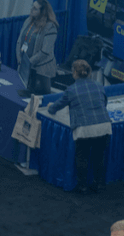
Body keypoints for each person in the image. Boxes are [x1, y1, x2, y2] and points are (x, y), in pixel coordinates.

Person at [47, 59, 112, 193]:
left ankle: (82, 186)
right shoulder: (99, 85)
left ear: (74, 73)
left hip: (84, 128)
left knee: (82, 156)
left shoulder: (71, 90)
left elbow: (56, 106)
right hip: (104, 126)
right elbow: (104, 103)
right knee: (99, 156)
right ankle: (99, 184)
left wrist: (50, 108)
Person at [17, 0, 59, 94]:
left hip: (41, 71)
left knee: (37, 96)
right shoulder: (28, 21)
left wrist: (27, 63)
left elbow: (45, 52)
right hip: (26, 66)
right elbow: (19, 41)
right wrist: (19, 58)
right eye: (32, 6)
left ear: (42, 12)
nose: (31, 9)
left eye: (35, 8)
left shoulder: (50, 27)